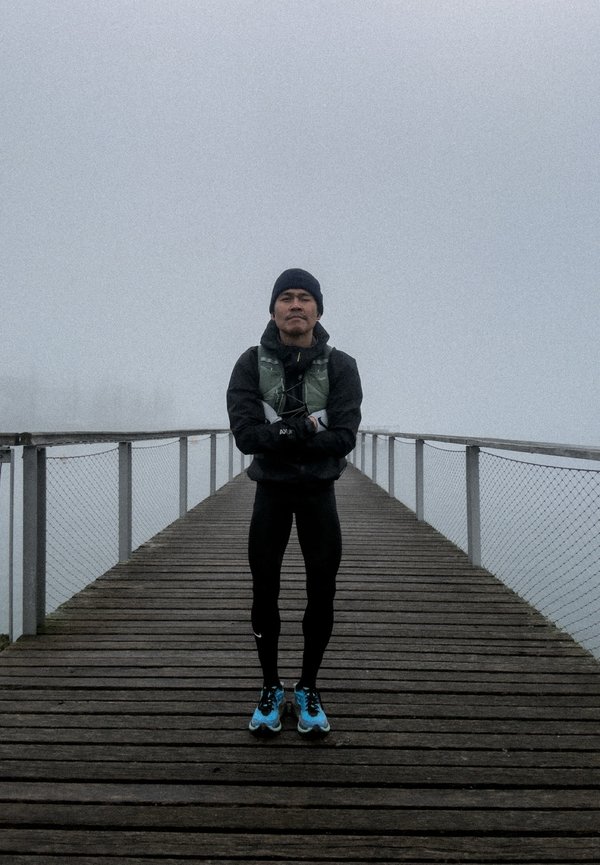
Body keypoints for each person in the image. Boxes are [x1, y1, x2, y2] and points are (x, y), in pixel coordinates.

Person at [226, 268, 362, 736]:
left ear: (318, 310)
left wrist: (278, 436)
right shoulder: (249, 364)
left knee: (322, 592)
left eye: (305, 297)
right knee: (265, 592)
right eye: (287, 297)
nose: (296, 305)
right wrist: (302, 430)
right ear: (273, 310)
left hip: (319, 494)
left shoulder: (342, 366)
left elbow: (344, 437)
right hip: (271, 494)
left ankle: (307, 686)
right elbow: (246, 437)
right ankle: (270, 686)